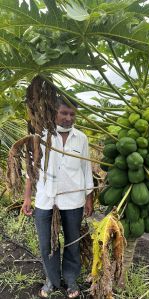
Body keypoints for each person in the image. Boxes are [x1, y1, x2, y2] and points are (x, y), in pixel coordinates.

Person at [22, 96, 94, 298]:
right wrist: (28, 198)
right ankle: (52, 280)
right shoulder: (40, 136)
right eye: (64, 113)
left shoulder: (81, 138)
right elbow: (31, 170)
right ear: (54, 112)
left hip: (74, 199)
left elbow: (86, 168)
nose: (68, 118)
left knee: (73, 242)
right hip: (46, 199)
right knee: (47, 243)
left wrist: (89, 198)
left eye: (72, 114)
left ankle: (70, 279)